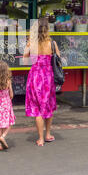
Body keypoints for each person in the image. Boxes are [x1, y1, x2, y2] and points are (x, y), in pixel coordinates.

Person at [24, 18, 60, 147]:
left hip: (35, 77)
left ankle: (40, 139)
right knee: (48, 106)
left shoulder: (31, 43)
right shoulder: (52, 44)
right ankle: (48, 134)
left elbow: (25, 61)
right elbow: (58, 60)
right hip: (48, 78)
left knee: (37, 108)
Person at [0, 61, 15, 151]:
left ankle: (0, 145)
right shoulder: (8, 81)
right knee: (9, 122)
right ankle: (3, 137)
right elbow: (11, 95)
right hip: (5, 103)